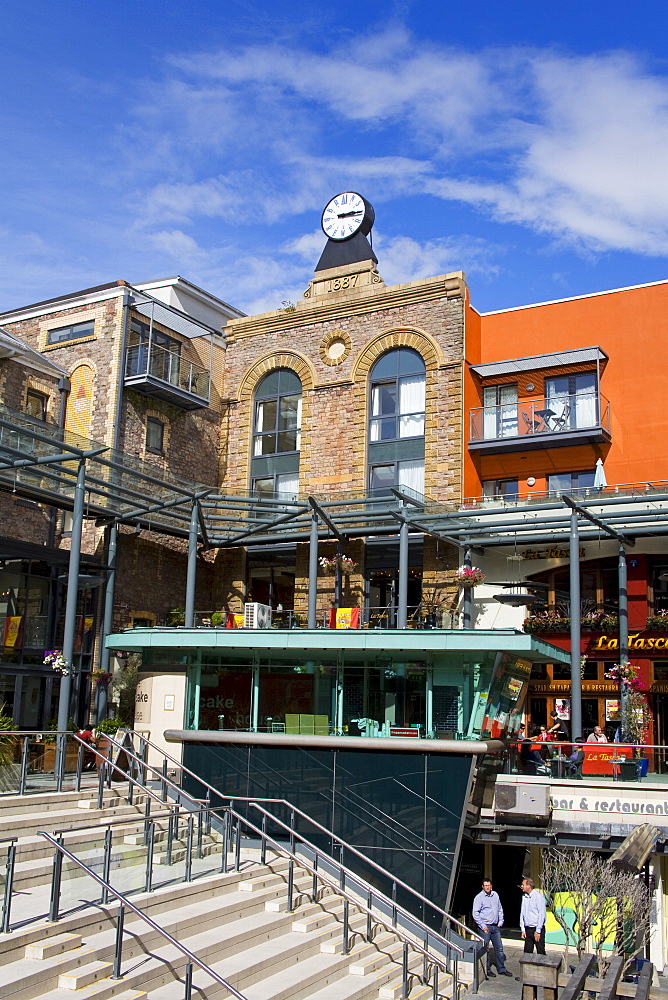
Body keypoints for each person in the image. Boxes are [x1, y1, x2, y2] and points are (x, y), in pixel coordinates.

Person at [472, 879, 512, 977]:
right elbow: (475, 913)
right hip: (485, 927)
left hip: (495, 927)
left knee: (499, 948)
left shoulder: (495, 895)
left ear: (491, 886)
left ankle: (501, 969)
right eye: (485, 885)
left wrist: (501, 921)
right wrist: (483, 926)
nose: (487, 887)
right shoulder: (479, 897)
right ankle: (487, 969)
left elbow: (499, 909)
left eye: (489, 885)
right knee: (486, 949)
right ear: (482, 886)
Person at [520, 876, 546, 954]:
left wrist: (538, 930)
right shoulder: (524, 897)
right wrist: (523, 929)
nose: (521, 886)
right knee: (527, 953)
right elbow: (522, 913)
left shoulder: (538, 897)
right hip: (528, 929)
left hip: (536, 928)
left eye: (523, 885)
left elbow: (542, 914)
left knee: (540, 952)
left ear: (529, 886)